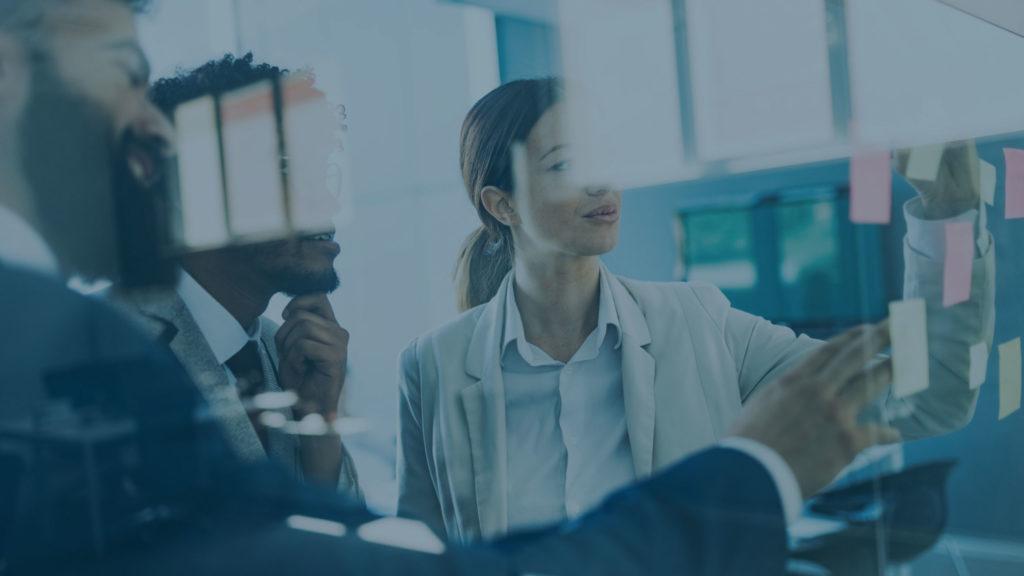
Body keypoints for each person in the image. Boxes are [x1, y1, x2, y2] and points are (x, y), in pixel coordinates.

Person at [0, 1, 904, 574]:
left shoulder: (282, 362)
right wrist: (758, 470)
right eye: (296, 166)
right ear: (499, 201)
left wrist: (315, 442)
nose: (333, 194)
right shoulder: (99, 361)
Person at [396, 78, 996, 541]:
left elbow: (934, 393)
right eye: (566, 164)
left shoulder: (700, 322)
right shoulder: (433, 365)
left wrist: (950, 217)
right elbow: (417, 553)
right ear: (501, 204)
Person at [109, 54, 360, 496]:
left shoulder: (290, 354)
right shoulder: (110, 344)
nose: (326, 202)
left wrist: (319, 428)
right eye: (285, 167)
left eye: (322, 171)